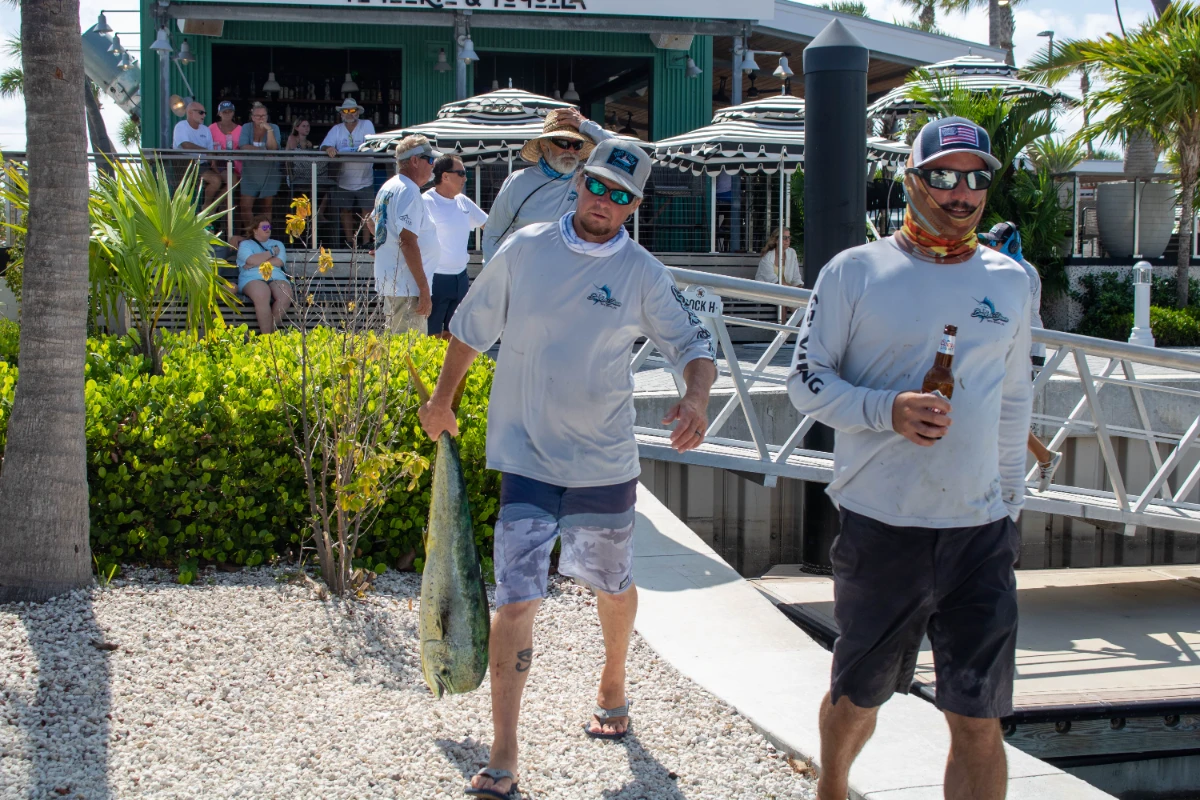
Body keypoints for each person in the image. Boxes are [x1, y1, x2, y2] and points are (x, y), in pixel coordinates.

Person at [417, 139, 717, 800]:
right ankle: (503, 752)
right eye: (597, 186)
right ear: (579, 182)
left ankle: (614, 679)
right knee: (515, 598)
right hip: (526, 458)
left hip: (603, 462)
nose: (603, 203)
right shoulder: (524, 248)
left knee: (612, 585)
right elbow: (470, 329)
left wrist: (695, 399)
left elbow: (695, 345)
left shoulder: (643, 272)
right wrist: (442, 401)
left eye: (620, 196)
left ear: (634, 206)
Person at [787, 117, 1033, 800]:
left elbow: (1015, 398)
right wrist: (887, 410)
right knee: (858, 697)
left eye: (976, 178)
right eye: (945, 175)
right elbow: (804, 382)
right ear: (912, 180)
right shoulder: (855, 271)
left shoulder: (1012, 280)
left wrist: (1010, 504)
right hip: (881, 525)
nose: (962, 192)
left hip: (981, 535)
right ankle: (832, 787)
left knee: (979, 717)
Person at [980, 220, 1063, 493]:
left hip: (1027, 351)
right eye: (989, 241)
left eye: (996, 242)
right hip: (1008, 349)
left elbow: (1008, 310)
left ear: (1013, 245)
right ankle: (1044, 458)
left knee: (1003, 412)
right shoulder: (1001, 269)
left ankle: (1027, 466)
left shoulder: (1023, 273)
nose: (991, 246)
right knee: (996, 411)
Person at [481, 106, 614, 262]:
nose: (571, 150)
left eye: (577, 144)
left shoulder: (587, 182)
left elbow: (627, 155)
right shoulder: (518, 181)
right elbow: (494, 237)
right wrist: (495, 276)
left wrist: (586, 125)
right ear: (544, 145)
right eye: (563, 143)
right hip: (526, 274)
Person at [369, 134, 441, 335]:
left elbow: (371, 221)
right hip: (407, 288)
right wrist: (424, 290)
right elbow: (408, 241)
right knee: (408, 351)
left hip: (397, 286)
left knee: (396, 347)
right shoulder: (408, 190)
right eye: (430, 160)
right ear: (415, 161)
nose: (433, 165)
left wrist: (385, 245)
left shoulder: (389, 186)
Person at [423, 155, 488, 338]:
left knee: (455, 333)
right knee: (432, 334)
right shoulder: (425, 202)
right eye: (461, 173)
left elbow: (489, 226)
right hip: (435, 278)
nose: (465, 178)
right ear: (445, 176)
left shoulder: (463, 201)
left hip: (460, 278)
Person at [321, 98, 377, 249]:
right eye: (346, 110)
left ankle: (366, 243)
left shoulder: (367, 124)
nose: (349, 113)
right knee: (345, 211)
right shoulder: (337, 129)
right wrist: (329, 149)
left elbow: (372, 145)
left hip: (365, 178)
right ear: (341, 113)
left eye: (352, 110)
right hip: (344, 179)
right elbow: (324, 145)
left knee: (367, 211)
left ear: (358, 112)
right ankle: (350, 243)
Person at [236, 215, 293, 334]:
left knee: (285, 295)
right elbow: (250, 260)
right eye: (264, 227)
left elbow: (279, 262)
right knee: (262, 294)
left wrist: (256, 262)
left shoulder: (278, 244)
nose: (268, 229)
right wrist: (271, 253)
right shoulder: (245, 244)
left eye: (269, 227)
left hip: (276, 276)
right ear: (255, 230)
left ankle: (266, 335)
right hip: (252, 278)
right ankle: (267, 336)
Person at [238, 103, 282, 234]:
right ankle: (252, 235)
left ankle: (265, 236)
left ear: (267, 116)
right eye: (257, 116)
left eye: (263, 115)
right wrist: (263, 151)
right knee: (245, 206)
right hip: (250, 172)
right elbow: (243, 146)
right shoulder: (246, 127)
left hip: (270, 172)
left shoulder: (274, 128)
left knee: (267, 208)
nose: (261, 118)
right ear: (252, 117)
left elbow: (273, 148)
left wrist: (269, 131)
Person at [172, 102, 221, 206]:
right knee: (216, 180)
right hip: (185, 165)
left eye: (205, 113)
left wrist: (214, 164)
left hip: (203, 165)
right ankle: (206, 209)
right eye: (201, 112)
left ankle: (206, 208)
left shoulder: (205, 129)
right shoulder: (181, 126)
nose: (204, 115)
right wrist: (205, 151)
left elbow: (210, 152)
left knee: (227, 180)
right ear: (190, 112)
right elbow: (186, 145)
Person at [287, 117, 331, 224]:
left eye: (308, 126)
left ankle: (318, 213)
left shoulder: (309, 143)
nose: (307, 128)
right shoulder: (292, 138)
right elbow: (296, 155)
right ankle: (303, 216)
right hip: (295, 173)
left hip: (310, 172)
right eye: (303, 126)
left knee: (327, 185)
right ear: (296, 128)